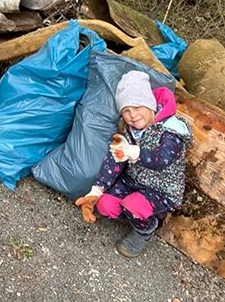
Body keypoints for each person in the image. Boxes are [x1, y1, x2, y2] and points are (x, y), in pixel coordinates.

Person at [75, 71, 192, 257]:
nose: (133, 115)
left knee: (135, 205)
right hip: (133, 181)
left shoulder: (171, 131)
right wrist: (97, 190)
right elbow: (113, 160)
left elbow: (162, 159)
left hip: (162, 189)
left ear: (150, 104)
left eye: (138, 107)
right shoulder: (127, 130)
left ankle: (146, 228)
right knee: (105, 205)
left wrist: (135, 152)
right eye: (126, 111)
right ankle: (134, 214)